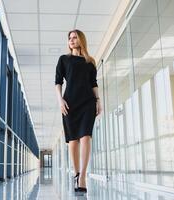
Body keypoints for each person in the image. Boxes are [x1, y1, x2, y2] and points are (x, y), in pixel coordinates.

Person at [55, 29, 102, 193]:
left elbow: (93, 83)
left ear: (81, 39)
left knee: (86, 137)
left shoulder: (90, 61)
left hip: (88, 102)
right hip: (70, 103)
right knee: (73, 141)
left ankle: (82, 176)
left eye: (75, 37)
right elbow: (58, 82)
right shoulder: (64, 60)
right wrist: (60, 100)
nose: (71, 40)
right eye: (69, 38)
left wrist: (98, 101)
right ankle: (76, 173)